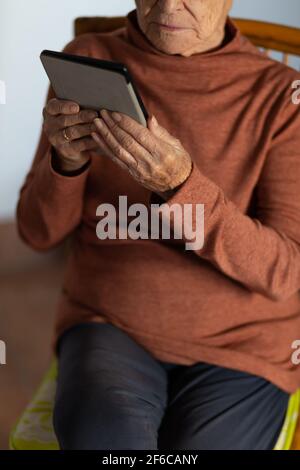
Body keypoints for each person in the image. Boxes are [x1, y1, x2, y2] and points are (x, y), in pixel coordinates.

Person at [16, 0, 300, 450]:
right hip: (110, 322)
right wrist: (66, 163)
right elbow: (36, 233)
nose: (168, 5)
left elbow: (285, 272)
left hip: (243, 346)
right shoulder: (89, 58)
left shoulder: (283, 95)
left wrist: (181, 185)